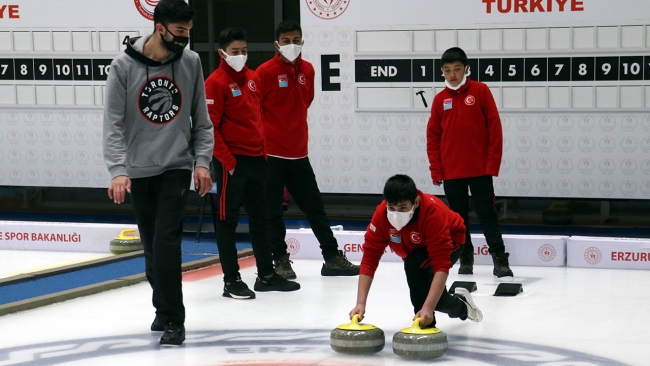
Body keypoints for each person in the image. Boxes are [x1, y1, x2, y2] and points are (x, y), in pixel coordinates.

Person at [103, 0, 213, 346]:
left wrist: (201, 162)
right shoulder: (122, 67)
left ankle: (174, 322)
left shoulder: (190, 62)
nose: (185, 39)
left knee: (167, 244)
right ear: (160, 27)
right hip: (138, 170)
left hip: (176, 167)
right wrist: (119, 170)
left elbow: (202, 122)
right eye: (180, 32)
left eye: (189, 33)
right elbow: (113, 125)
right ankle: (162, 309)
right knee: (152, 249)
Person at [256, 20, 359, 279]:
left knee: (315, 208)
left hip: (299, 153)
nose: (292, 45)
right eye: (286, 40)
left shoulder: (309, 70)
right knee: (273, 211)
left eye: (296, 40)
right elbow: (254, 111)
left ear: (302, 41)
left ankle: (332, 257)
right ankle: (280, 260)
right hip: (271, 154)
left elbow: (306, 101)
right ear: (277, 44)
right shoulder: (265, 72)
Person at [204, 27, 300, 300]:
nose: (240, 55)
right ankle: (231, 281)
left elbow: (258, 119)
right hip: (232, 162)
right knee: (227, 222)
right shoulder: (215, 82)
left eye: (244, 51)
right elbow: (211, 128)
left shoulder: (254, 78)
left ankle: (266, 275)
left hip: (258, 160)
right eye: (235, 51)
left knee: (261, 220)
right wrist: (229, 162)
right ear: (222, 52)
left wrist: (264, 153)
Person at [349, 175, 482, 328]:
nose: (396, 213)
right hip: (415, 250)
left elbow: (441, 265)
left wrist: (428, 308)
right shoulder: (381, 215)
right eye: (391, 208)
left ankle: (426, 326)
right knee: (431, 294)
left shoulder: (433, 213)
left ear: (416, 202)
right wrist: (360, 303)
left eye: (403, 208)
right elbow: (369, 259)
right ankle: (462, 307)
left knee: (416, 267)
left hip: (453, 240)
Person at [427, 47, 514, 277]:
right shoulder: (439, 100)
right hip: (451, 171)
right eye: (447, 71)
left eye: (457, 69)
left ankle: (500, 259)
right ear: (442, 72)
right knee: (458, 219)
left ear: (466, 69)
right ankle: (465, 257)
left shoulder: (480, 90)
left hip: (479, 169)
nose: (452, 74)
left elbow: (494, 128)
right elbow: (433, 137)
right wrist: (436, 169)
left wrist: (492, 165)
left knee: (488, 214)